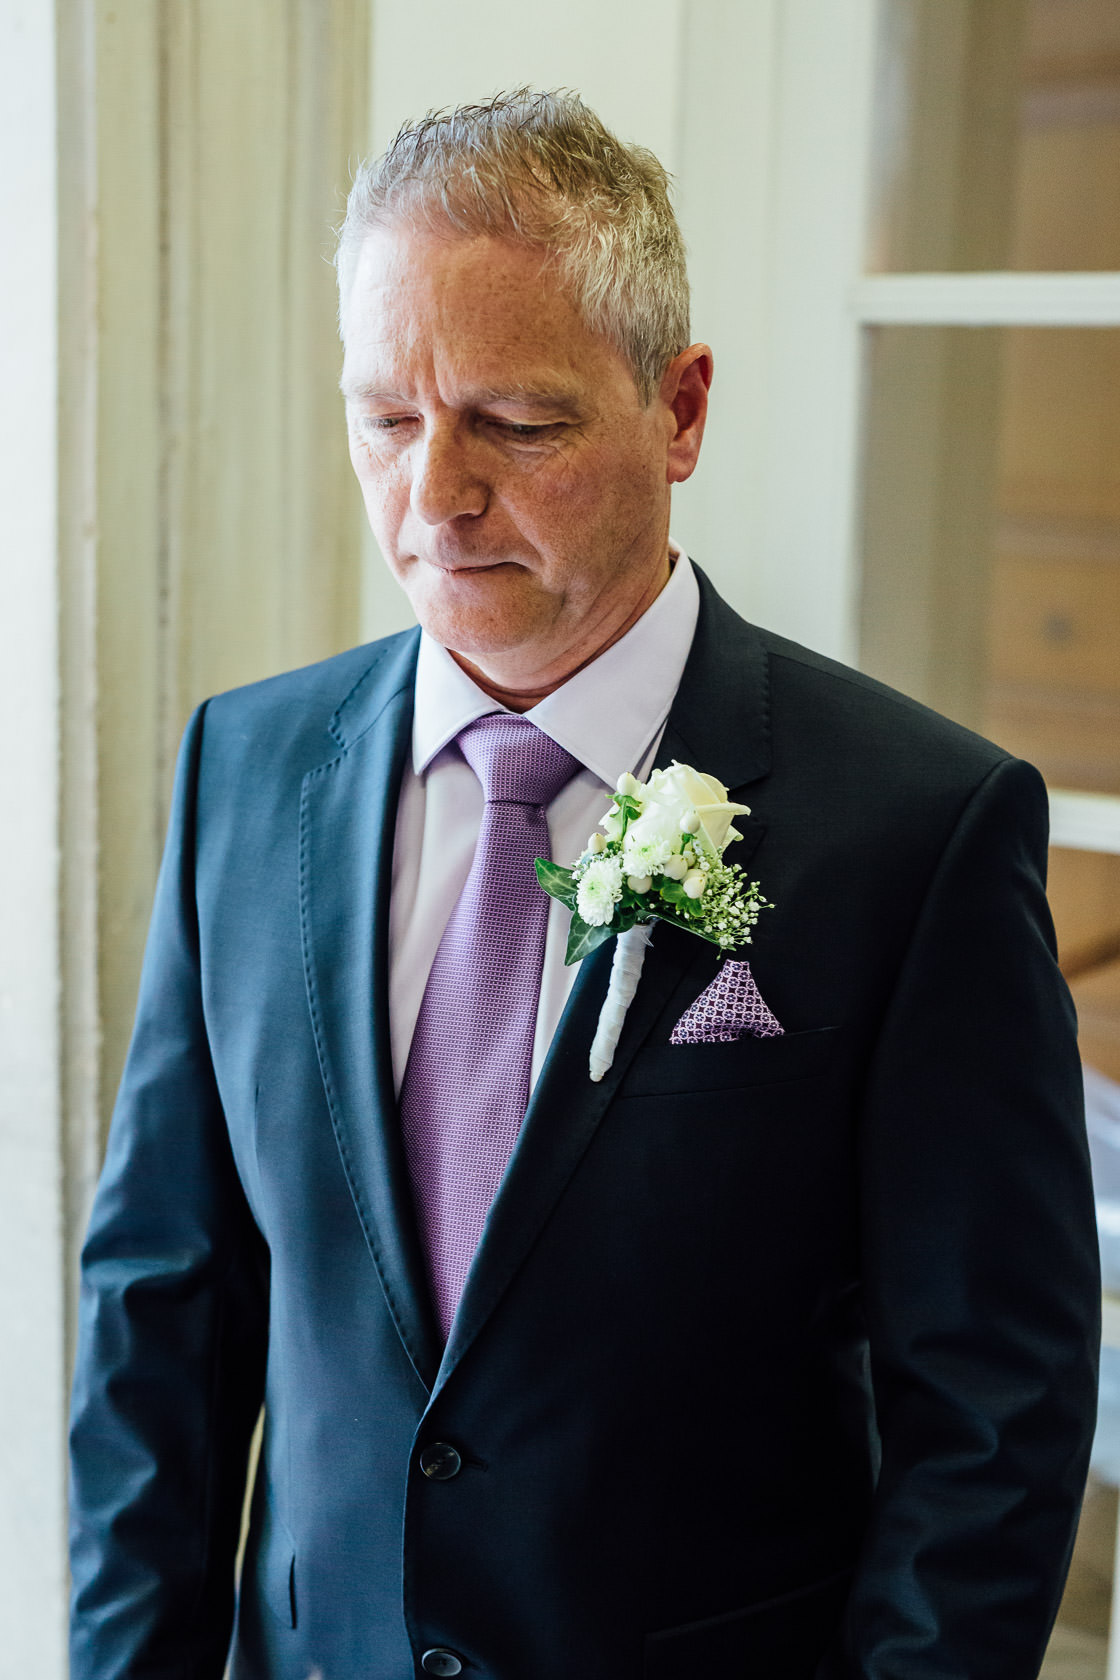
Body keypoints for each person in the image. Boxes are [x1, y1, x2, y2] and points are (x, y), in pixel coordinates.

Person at [69, 89, 1099, 1680]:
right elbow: (163, 1313)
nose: (434, 499)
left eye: (516, 425)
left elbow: (998, 1410)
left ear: (679, 411)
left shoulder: (921, 828)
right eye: (387, 421)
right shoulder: (244, 769)